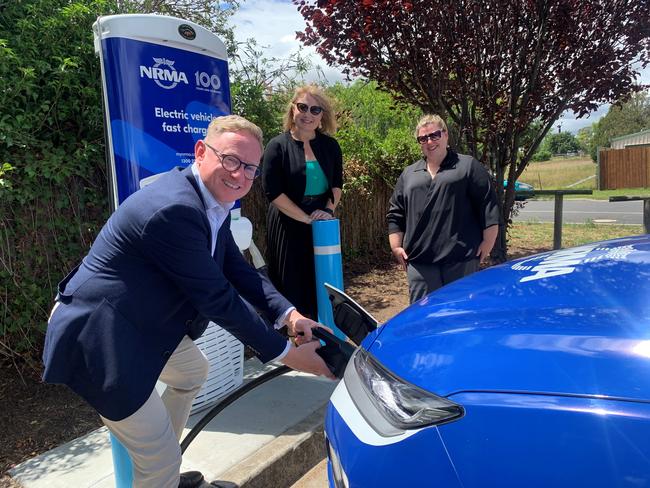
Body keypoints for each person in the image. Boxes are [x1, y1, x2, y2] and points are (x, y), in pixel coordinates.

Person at [42, 115, 334, 488]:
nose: (240, 175)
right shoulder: (174, 209)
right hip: (102, 338)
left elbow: (237, 270)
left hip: (138, 322)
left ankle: (163, 466)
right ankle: (161, 468)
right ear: (201, 151)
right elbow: (216, 297)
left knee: (191, 371)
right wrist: (287, 355)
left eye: (250, 168)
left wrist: (287, 313)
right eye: (230, 160)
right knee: (157, 456)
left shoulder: (212, 202)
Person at [387, 114, 500, 303]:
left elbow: (487, 205)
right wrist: (396, 247)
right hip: (420, 262)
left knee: (460, 316)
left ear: (445, 135)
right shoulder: (409, 174)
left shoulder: (467, 166)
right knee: (423, 319)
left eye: (434, 135)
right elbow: (396, 212)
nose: (429, 142)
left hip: (461, 259)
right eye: (423, 139)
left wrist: (488, 242)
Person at [262, 85, 343, 319]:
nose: (308, 114)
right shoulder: (277, 146)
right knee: (292, 286)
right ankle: (297, 342)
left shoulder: (331, 147)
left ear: (322, 116)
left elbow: (337, 184)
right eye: (303, 107)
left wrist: (327, 211)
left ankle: (325, 340)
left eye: (315, 109)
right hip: (288, 224)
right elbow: (273, 192)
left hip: (322, 224)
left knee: (324, 283)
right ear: (293, 110)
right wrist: (306, 218)